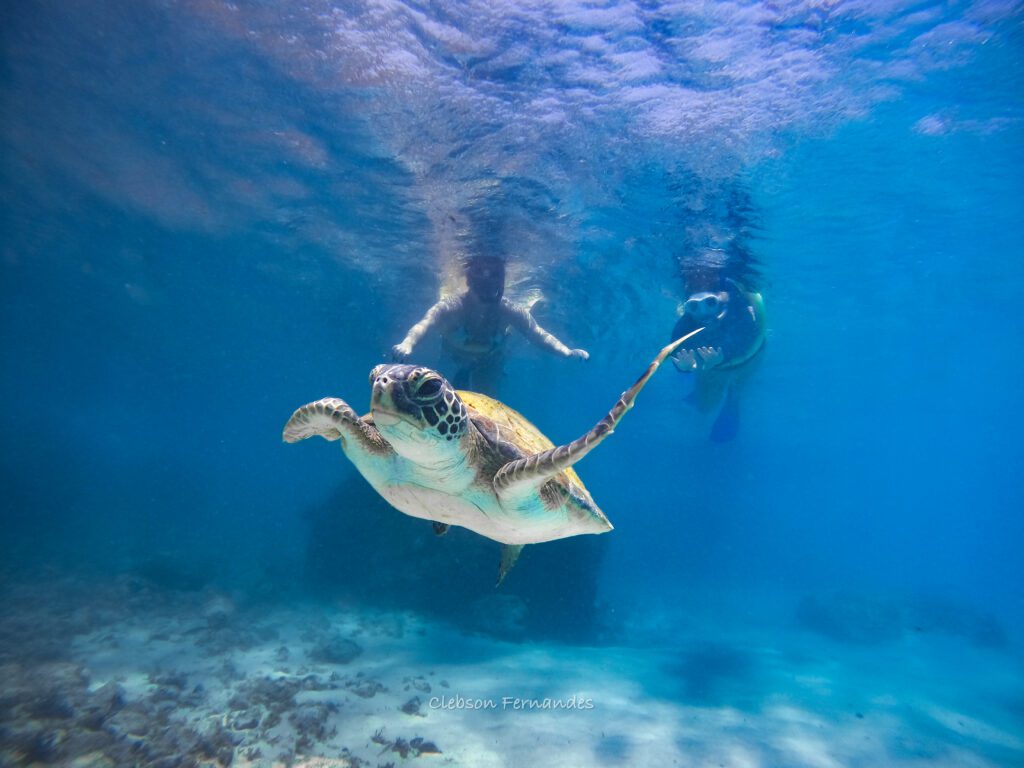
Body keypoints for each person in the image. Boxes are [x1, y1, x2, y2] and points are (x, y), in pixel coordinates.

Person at [392, 255, 588, 393]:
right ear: (468, 279)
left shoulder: (510, 310)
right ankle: (463, 371)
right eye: (480, 272)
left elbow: (537, 333)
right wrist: (407, 344)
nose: (487, 280)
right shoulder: (452, 306)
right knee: (443, 396)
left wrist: (566, 352)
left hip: (490, 360)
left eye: (495, 274)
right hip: (454, 358)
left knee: (485, 404)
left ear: (503, 281)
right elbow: (425, 323)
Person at [670, 276, 766, 442]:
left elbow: (747, 337)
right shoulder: (685, 323)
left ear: (720, 301)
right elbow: (677, 350)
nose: (703, 312)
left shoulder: (737, 310)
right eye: (693, 306)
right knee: (705, 408)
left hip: (747, 360)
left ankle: (732, 403)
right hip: (712, 366)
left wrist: (723, 357)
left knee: (736, 389)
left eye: (710, 303)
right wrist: (685, 368)